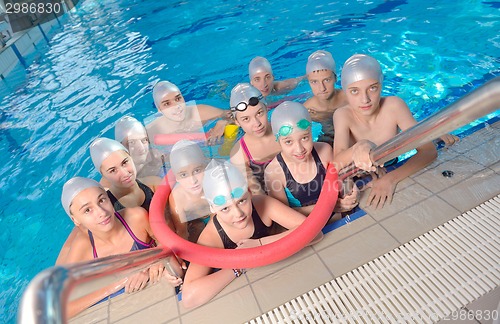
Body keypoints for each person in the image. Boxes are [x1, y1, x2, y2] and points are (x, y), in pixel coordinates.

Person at [181, 160, 322, 309]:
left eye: (242, 201)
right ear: (213, 208)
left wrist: (260, 245)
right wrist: (240, 264)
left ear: (249, 192)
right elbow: (190, 298)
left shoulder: (262, 204)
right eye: (225, 209)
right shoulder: (212, 237)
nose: (238, 214)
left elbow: (315, 233)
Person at [56, 177, 182, 318]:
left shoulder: (136, 217)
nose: (101, 212)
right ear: (76, 220)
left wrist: (156, 259)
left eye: (102, 200)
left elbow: (170, 242)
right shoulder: (83, 248)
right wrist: (119, 283)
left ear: (109, 198)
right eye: (87, 210)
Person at [333, 54, 439, 209]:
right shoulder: (343, 115)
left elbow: (429, 151)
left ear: (381, 85)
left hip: (389, 166)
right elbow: (336, 165)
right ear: (345, 92)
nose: (365, 99)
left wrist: (390, 179)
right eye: (355, 91)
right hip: (359, 175)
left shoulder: (394, 106)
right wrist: (360, 145)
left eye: (373, 88)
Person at [264, 101, 358, 219]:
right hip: (307, 226)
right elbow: (283, 216)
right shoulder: (273, 173)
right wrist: (328, 206)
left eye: (304, 138)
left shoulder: (324, 151)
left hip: (337, 217)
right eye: (288, 142)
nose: (299, 149)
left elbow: (341, 179)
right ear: (277, 141)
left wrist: (351, 192)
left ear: (311, 132)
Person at [228, 83, 281, 195]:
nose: (257, 123)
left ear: (266, 108)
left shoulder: (283, 129)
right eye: (246, 119)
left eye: (259, 113)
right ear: (237, 122)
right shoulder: (239, 153)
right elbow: (257, 193)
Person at [146, 81, 232, 146]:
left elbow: (235, 114)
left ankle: (218, 91)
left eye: (178, 99)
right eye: (167, 104)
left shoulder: (199, 112)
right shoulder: (152, 131)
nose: (177, 106)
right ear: (159, 109)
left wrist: (223, 122)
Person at [168, 139, 211, 243]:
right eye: (184, 175)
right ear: (176, 177)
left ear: (205, 168)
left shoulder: (213, 185)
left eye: (197, 171)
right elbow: (181, 232)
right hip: (193, 223)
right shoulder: (178, 197)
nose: (193, 181)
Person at [303, 50, 347, 146]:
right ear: (308, 82)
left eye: (326, 80)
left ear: (335, 78)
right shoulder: (306, 110)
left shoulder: (349, 98)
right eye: (314, 82)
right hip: (327, 137)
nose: (322, 88)